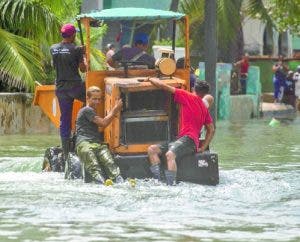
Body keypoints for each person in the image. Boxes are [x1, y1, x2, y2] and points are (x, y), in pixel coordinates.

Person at [147, 79, 215, 185]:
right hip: (182, 140)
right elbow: (211, 129)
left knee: (170, 154)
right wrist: (203, 147)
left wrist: (150, 79)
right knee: (152, 150)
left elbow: (164, 86)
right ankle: (159, 182)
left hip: (189, 139)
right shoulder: (204, 108)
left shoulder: (188, 96)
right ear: (205, 93)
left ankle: (171, 185)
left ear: (193, 89)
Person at [50, 23, 87, 162]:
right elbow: (83, 69)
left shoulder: (52, 48)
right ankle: (82, 123)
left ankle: (66, 155)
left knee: (64, 119)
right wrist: (83, 54)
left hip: (60, 88)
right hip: (75, 87)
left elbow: (56, 65)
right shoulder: (76, 49)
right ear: (73, 35)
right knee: (93, 98)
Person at [75, 86, 124, 184]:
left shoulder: (92, 112)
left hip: (97, 144)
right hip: (84, 143)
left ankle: (119, 180)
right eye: (94, 99)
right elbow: (103, 123)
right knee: (94, 166)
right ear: (88, 98)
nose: (97, 102)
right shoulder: (86, 110)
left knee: (109, 161)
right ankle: (102, 183)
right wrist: (116, 109)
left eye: (99, 99)